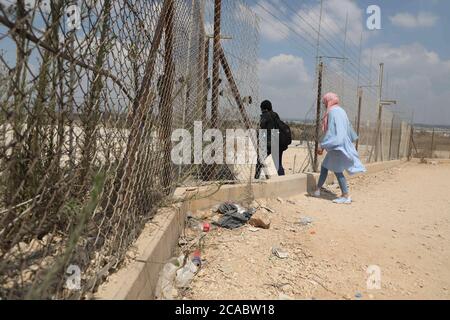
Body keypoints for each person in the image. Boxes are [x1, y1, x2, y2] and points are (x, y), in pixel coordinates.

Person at [312, 92, 366, 204]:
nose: (324, 104)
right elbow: (348, 127)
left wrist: (323, 145)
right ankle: (317, 190)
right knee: (325, 167)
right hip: (341, 143)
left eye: (324, 102)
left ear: (328, 101)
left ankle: (346, 195)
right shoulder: (341, 110)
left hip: (337, 145)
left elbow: (332, 131)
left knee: (337, 170)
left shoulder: (332, 111)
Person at [254, 100, 286, 179]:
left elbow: (262, 129)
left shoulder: (265, 116)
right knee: (278, 164)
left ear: (263, 108)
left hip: (268, 143)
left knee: (259, 161)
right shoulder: (275, 115)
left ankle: (256, 178)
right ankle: (282, 179)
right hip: (277, 141)